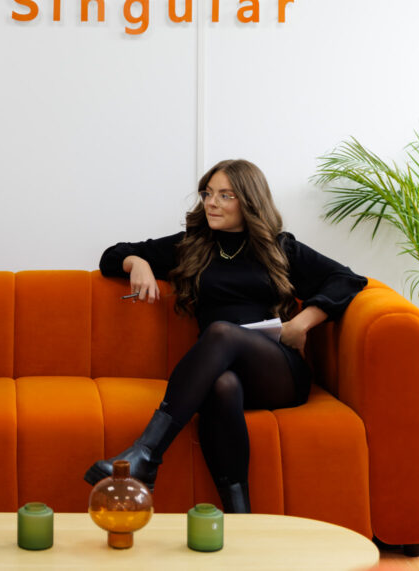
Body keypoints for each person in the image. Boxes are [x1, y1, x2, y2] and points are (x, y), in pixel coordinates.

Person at [84, 159, 366, 513]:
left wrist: (303, 322)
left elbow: (347, 279)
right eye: (207, 193)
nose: (211, 202)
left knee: (221, 333)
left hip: (277, 371)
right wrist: (137, 263)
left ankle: (147, 454)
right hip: (222, 371)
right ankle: (239, 514)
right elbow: (113, 255)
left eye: (224, 195)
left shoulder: (280, 248)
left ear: (248, 200)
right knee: (222, 385)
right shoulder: (193, 245)